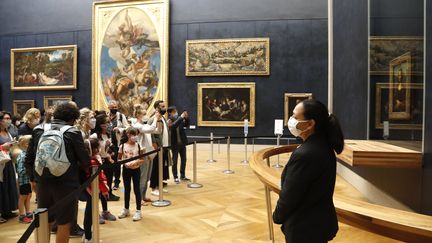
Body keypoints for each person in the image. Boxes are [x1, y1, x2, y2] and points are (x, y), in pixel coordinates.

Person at [272, 99, 344, 243]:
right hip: (318, 223)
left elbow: (290, 194)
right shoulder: (323, 145)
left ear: (310, 124)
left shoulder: (306, 154)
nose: (291, 121)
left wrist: (277, 216)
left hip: (304, 228)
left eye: (295, 117)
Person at [25, 102, 90, 243]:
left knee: (44, 220)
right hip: (66, 184)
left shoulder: (38, 129)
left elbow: (29, 157)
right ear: (73, 118)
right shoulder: (73, 132)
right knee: (64, 223)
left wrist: (32, 179)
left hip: (42, 181)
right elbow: (85, 161)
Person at [77, 108, 116, 223]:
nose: (93, 119)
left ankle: (104, 211)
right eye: (91, 117)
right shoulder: (84, 133)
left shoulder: (90, 132)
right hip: (89, 166)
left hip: (99, 162)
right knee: (92, 192)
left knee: (104, 186)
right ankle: (95, 214)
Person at [82, 138, 110, 243]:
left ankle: (87, 234)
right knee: (90, 214)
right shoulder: (93, 161)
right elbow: (99, 178)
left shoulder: (88, 159)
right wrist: (104, 190)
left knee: (90, 213)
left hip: (90, 189)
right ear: (93, 149)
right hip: (92, 190)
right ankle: (88, 238)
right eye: (97, 147)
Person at [132, 105, 161, 205]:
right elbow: (150, 129)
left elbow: (157, 130)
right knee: (142, 178)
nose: (145, 116)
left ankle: (143, 196)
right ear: (138, 115)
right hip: (142, 154)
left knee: (147, 177)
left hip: (149, 153)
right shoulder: (137, 126)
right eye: (144, 114)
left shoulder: (144, 125)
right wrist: (155, 118)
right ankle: (139, 199)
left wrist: (158, 121)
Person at [90, 114, 120, 201]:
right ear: (100, 124)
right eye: (106, 122)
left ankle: (109, 192)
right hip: (100, 161)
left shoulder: (107, 134)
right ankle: (103, 194)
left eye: (108, 122)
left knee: (110, 178)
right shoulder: (95, 136)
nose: (108, 125)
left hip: (108, 159)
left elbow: (108, 147)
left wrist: (111, 154)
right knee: (103, 180)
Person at [117, 127, 145, 221]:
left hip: (136, 170)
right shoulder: (122, 146)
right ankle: (126, 209)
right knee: (127, 189)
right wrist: (125, 163)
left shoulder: (138, 146)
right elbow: (119, 159)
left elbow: (142, 159)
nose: (135, 137)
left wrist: (136, 163)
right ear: (128, 135)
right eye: (133, 134)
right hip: (126, 170)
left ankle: (138, 211)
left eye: (136, 135)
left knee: (137, 189)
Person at [0, 111, 19, 224]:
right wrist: (3, 146)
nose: (8, 120)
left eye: (9, 118)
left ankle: (7, 210)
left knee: (9, 186)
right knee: (1, 188)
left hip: (8, 162)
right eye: (6, 118)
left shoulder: (7, 131)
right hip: (1, 163)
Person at [149, 100, 170, 196]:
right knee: (155, 167)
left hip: (164, 147)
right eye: (162, 106)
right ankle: (153, 187)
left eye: (164, 106)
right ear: (157, 108)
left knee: (161, 167)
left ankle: (159, 185)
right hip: (157, 147)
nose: (164, 108)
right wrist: (154, 143)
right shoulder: (152, 119)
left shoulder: (164, 119)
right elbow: (151, 132)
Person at [108, 100, 130, 191]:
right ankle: (109, 181)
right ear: (108, 107)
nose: (114, 109)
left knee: (117, 163)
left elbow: (127, 127)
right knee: (109, 162)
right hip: (108, 144)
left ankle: (117, 181)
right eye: (112, 107)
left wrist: (120, 129)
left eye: (115, 107)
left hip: (117, 143)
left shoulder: (121, 116)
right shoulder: (106, 116)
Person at [167, 106, 190, 183]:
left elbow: (186, 125)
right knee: (175, 161)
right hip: (174, 145)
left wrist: (186, 118)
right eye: (174, 111)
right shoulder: (169, 121)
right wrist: (181, 117)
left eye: (176, 111)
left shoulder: (179, 119)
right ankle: (175, 177)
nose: (176, 112)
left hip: (182, 144)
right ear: (170, 113)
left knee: (184, 160)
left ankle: (182, 176)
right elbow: (173, 126)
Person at [16, 135, 33, 224]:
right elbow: (20, 170)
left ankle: (28, 212)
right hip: (23, 180)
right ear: (25, 144)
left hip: (27, 180)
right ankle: (22, 215)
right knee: (23, 197)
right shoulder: (22, 156)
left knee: (28, 196)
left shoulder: (27, 155)